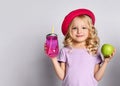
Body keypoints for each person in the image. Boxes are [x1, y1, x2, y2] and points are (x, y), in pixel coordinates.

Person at [45, 8, 116, 86]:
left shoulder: (94, 51)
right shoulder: (65, 51)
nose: (79, 31)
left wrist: (105, 62)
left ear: (90, 30)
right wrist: (53, 58)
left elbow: (96, 77)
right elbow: (62, 77)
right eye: (74, 28)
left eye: (84, 28)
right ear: (69, 31)